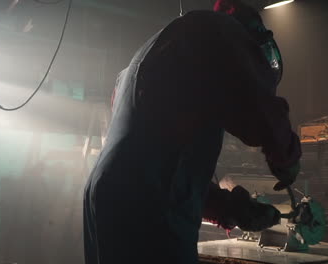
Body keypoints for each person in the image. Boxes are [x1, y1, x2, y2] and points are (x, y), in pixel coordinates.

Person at [83, 0, 301, 263]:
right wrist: (287, 157)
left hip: (111, 196)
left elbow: (164, 171)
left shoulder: (163, 52)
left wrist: (231, 208)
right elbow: (260, 107)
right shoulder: (218, 30)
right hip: (148, 205)